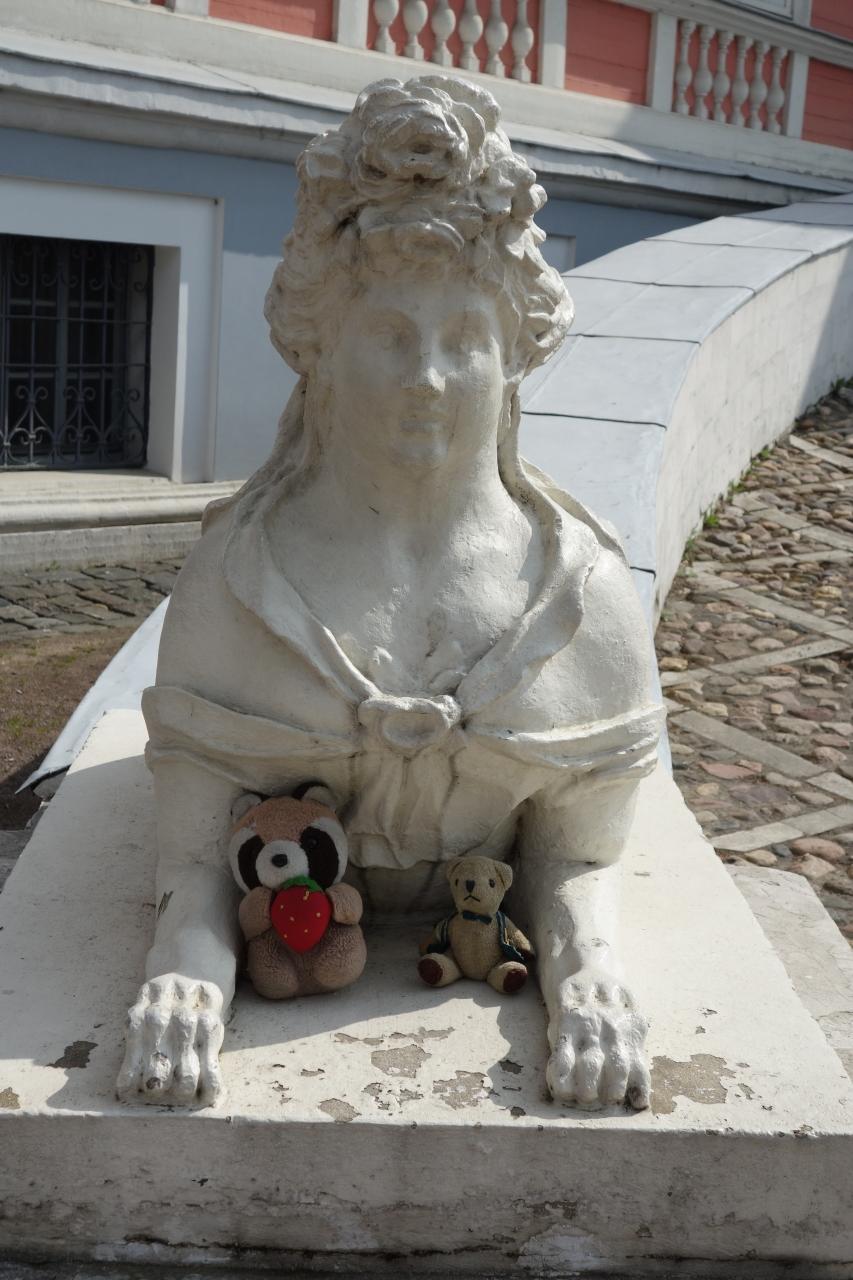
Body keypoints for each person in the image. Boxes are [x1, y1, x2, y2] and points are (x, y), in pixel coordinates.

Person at [118, 76, 664, 1110]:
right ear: (321, 351)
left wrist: (585, 966)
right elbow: (193, 858)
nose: (428, 377)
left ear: (513, 358)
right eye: (389, 336)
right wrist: (187, 966)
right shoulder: (234, 591)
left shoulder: (582, 606)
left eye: (465, 340)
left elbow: (576, 856)